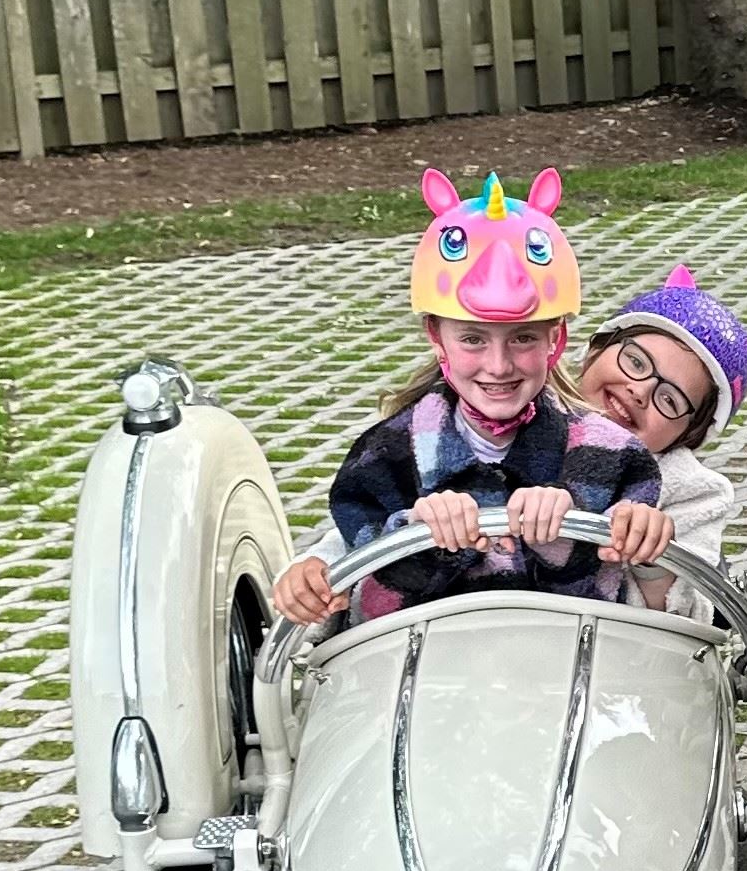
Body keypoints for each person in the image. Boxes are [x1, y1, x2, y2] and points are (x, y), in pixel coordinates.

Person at [272, 168, 667, 627]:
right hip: (424, 686)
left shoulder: (614, 456)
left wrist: (631, 534)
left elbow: (629, 604)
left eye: (522, 338)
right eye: (473, 340)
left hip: (572, 680)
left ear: (555, 339)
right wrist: (404, 542)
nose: (498, 366)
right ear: (436, 336)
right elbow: (361, 606)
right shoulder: (387, 454)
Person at [575, 265, 747, 616]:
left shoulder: (692, 493)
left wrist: (655, 565)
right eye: (635, 361)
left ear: (687, 436)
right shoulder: (523, 424)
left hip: (614, 659)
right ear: (594, 351)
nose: (640, 390)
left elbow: (691, 621)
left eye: (669, 399)